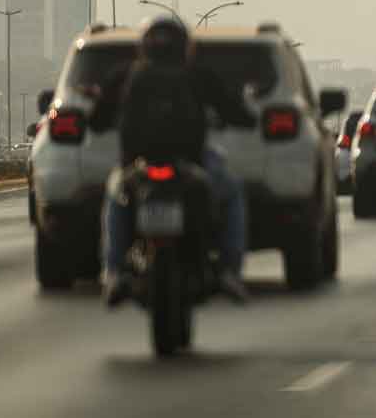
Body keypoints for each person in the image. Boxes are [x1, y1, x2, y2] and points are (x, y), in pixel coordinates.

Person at [88, 15, 255, 306]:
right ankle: (230, 269)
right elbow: (235, 112)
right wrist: (248, 117)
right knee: (231, 192)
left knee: (116, 197)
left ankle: (113, 272)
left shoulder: (126, 75)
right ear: (184, 47)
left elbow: (97, 120)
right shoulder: (197, 74)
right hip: (192, 162)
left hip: (137, 164)